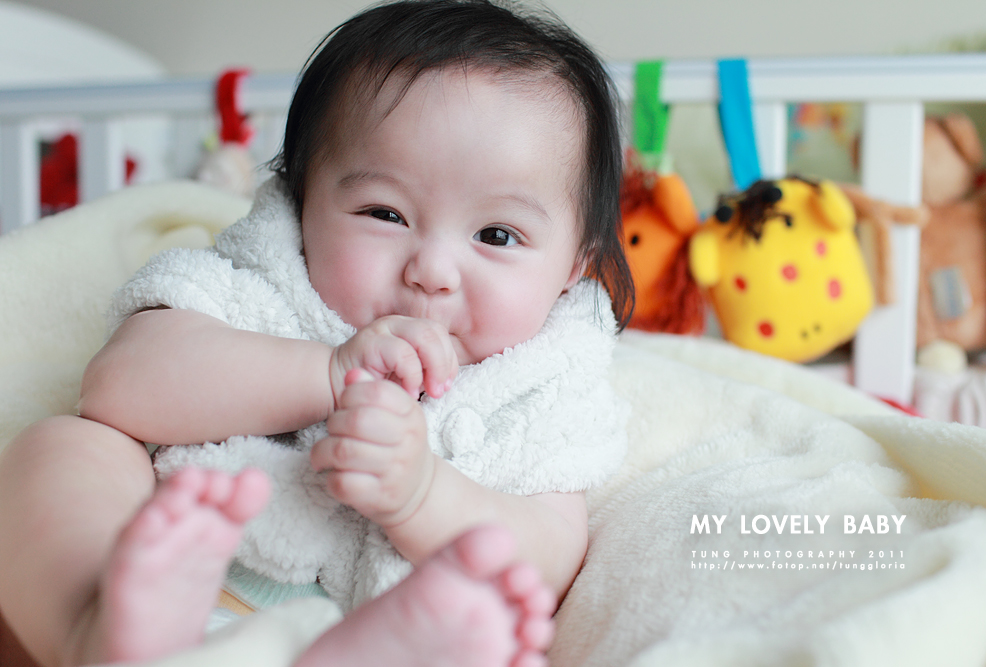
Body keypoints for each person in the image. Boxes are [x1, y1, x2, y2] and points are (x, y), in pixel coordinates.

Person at [0, 1, 634, 666]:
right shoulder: (263, 285)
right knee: (68, 444)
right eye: (384, 213)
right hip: (190, 592)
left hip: (372, 627)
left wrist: (422, 495)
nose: (432, 270)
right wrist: (326, 372)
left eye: (497, 235)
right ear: (301, 201)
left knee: (485, 614)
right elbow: (117, 386)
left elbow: (547, 556)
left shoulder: (547, 381)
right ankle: (96, 626)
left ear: (576, 264)